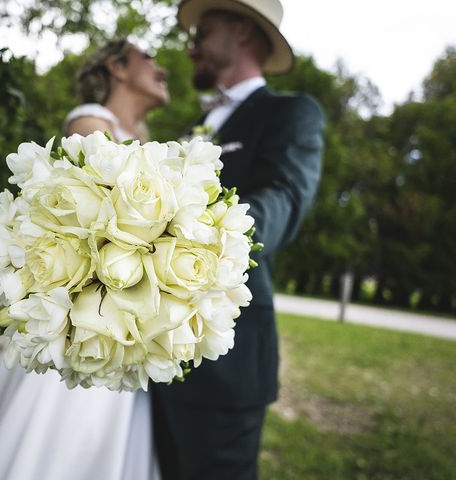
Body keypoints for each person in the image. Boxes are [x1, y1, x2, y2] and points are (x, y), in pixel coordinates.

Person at [0, 39, 168, 480]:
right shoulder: (91, 122)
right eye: (149, 58)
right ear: (117, 68)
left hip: (128, 318)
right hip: (82, 314)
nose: (162, 69)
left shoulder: (147, 143)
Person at [151, 1, 325, 479]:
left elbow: (284, 199)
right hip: (157, 352)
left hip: (227, 362)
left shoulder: (291, 114)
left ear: (241, 30)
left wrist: (196, 232)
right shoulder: (196, 130)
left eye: (202, 33)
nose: (191, 49)